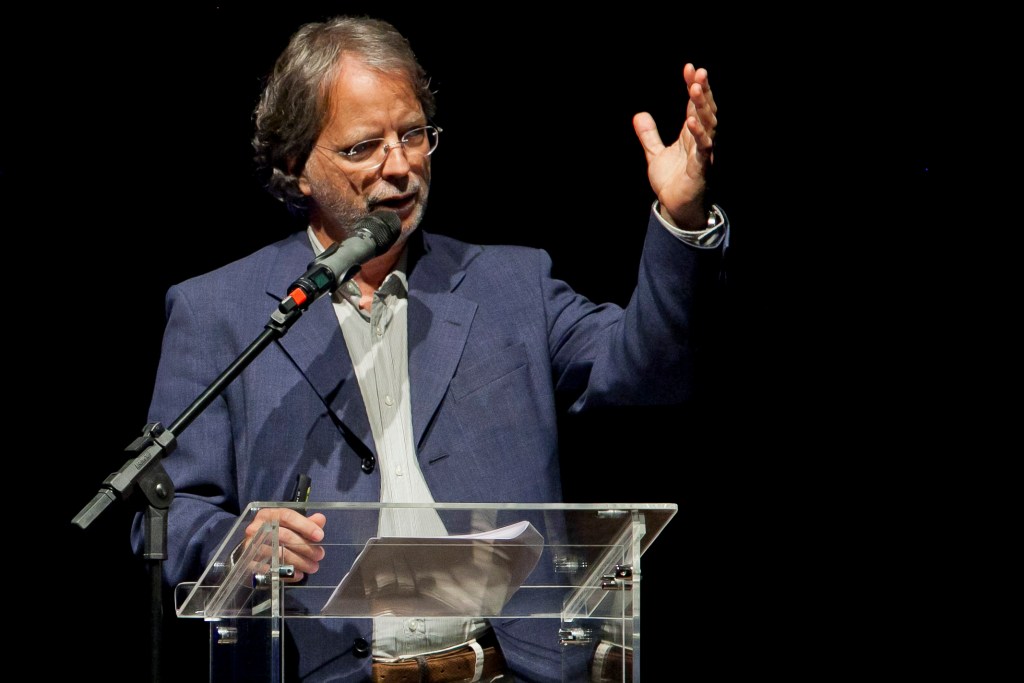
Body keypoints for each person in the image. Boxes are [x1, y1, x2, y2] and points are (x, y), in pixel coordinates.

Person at [132, 14, 728, 683]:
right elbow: (169, 511)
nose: (401, 165)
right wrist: (237, 543)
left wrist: (681, 220)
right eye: (364, 147)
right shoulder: (219, 311)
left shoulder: (511, 285)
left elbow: (646, 371)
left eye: (413, 134)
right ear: (298, 168)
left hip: (506, 670)